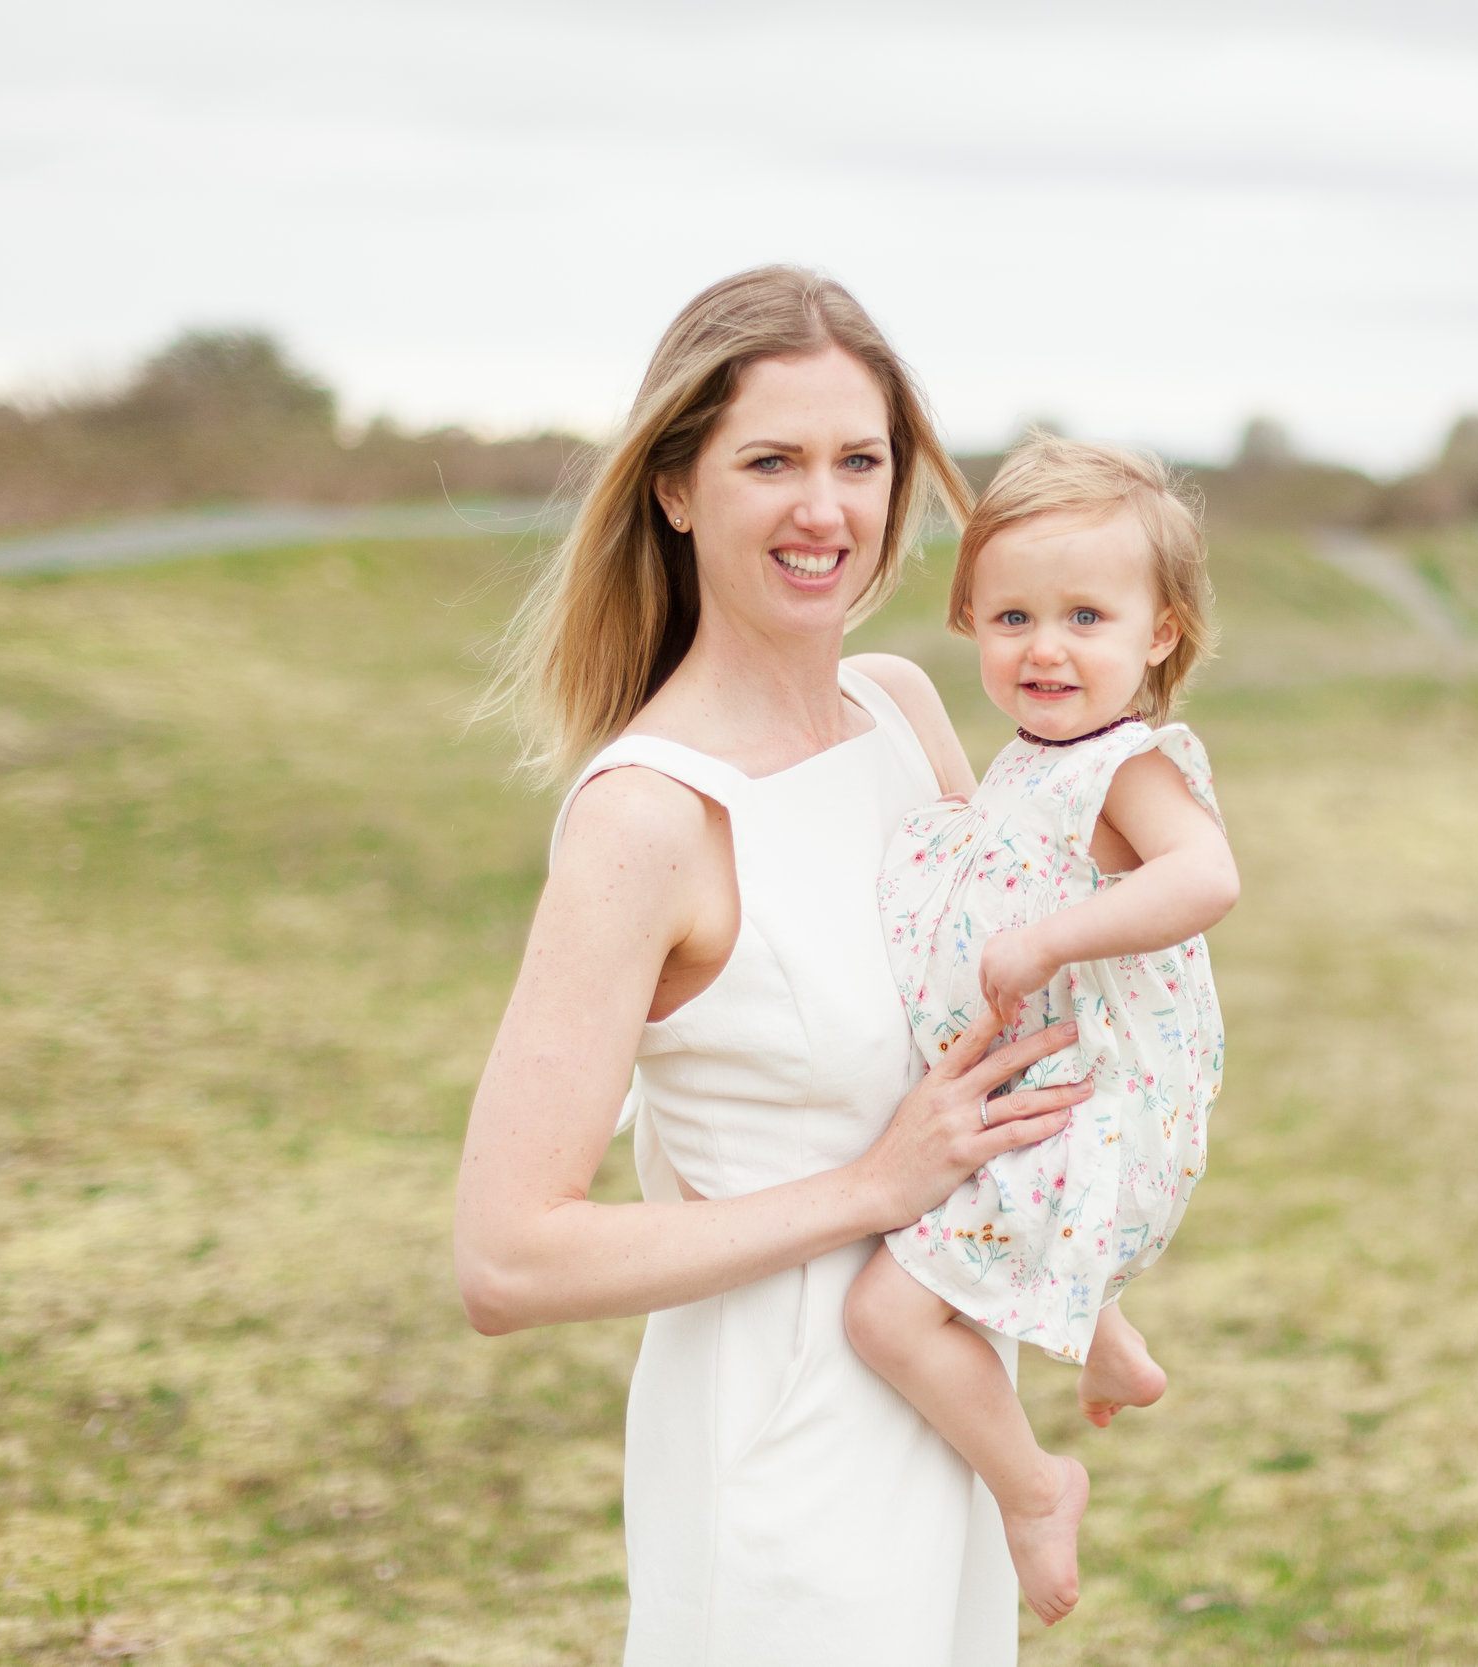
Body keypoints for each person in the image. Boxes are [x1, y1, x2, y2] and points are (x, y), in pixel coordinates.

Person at [451, 267, 1094, 1667]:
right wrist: (869, 1187)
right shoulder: (648, 816)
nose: (828, 510)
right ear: (677, 486)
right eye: (773, 462)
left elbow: (994, 1052)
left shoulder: (902, 705)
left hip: (944, 1411)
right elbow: (505, 1255)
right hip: (780, 1458)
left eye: (861, 460)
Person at [842, 434, 1238, 1626]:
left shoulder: (1123, 763)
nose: (1045, 646)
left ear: (1158, 632)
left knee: (885, 1311)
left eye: (1083, 614)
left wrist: (1059, 938)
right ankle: (1108, 1341)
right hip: (1052, 1109)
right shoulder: (1027, 764)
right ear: (968, 618)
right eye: (1011, 615)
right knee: (986, 1192)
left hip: (1098, 1116)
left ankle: (1030, 1486)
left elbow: (1206, 875)